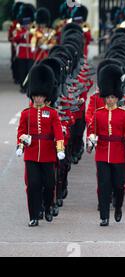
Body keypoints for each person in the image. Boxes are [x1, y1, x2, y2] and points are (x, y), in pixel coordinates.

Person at [86, 64, 125, 227]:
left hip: (118, 154)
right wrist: (91, 140)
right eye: (107, 97)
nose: (110, 100)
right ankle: (104, 216)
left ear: (117, 97)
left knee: (118, 185)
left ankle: (118, 207)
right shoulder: (98, 113)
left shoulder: (124, 114)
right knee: (103, 185)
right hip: (102, 153)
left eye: (113, 97)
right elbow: (91, 130)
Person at [16, 64, 66, 227]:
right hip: (31, 154)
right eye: (35, 96)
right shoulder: (26, 113)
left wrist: (59, 148)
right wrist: (20, 145)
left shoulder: (52, 113)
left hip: (48, 153)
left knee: (49, 184)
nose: (38, 98)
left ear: (46, 96)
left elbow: (58, 132)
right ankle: (33, 215)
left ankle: (47, 206)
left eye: (41, 96)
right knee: (33, 185)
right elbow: (21, 131)